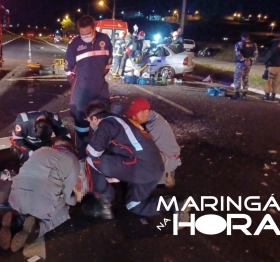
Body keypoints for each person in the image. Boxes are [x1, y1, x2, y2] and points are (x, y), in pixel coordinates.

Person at [82, 101, 190, 222]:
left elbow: (92, 153)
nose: (90, 125)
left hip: (140, 166)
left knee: (90, 160)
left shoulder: (106, 123)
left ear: (94, 118)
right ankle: (175, 204)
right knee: (134, 205)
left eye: (89, 122)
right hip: (155, 169)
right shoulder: (122, 120)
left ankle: (103, 205)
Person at [0, 136, 81, 252]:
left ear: (54, 146)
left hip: (16, 199)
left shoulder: (41, 150)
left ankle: (16, 222)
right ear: (72, 149)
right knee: (63, 213)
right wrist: (75, 200)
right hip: (41, 205)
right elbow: (67, 196)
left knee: (34, 197)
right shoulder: (72, 160)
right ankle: (37, 229)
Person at [64, 15, 113, 160]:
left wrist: (97, 77)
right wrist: (78, 83)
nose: (86, 37)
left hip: (100, 87)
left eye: (89, 34)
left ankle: (102, 153)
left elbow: (108, 64)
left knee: (104, 119)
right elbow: (68, 69)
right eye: (82, 34)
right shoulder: (74, 45)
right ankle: (81, 154)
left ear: (94, 28)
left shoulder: (105, 40)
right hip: (81, 89)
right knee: (81, 121)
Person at [125, 98, 181, 187]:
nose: (133, 118)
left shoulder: (156, 126)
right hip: (163, 154)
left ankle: (167, 175)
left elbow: (143, 148)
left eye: (135, 115)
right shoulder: (151, 117)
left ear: (146, 111)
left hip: (168, 159)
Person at [231, 32, 258, 100]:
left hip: (240, 63)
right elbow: (256, 54)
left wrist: (243, 60)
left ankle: (237, 94)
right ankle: (244, 94)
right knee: (245, 77)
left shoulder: (239, 44)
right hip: (248, 64)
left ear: (241, 37)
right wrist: (250, 60)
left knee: (237, 77)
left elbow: (237, 53)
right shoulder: (254, 44)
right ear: (248, 37)